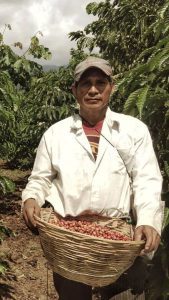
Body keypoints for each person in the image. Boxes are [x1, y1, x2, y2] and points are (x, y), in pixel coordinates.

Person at [22, 56, 163, 300]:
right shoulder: (56, 134)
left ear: (112, 87)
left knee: (125, 294)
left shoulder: (133, 130)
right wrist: (31, 198)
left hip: (118, 241)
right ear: (74, 90)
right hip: (70, 243)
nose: (93, 90)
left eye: (100, 82)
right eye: (86, 83)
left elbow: (147, 179)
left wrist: (148, 219)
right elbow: (40, 178)